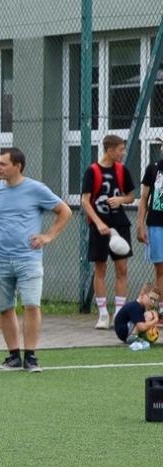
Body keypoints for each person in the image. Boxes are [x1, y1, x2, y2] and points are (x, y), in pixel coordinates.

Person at [0, 147, 71, 373]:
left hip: (28, 258)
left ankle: (30, 356)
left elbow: (64, 211)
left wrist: (48, 236)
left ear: (18, 166)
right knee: (6, 308)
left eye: (3, 164)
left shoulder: (36, 189)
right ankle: (13, 357)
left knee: (31, 305)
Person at [83, 134, 135, 330]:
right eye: (120, 149)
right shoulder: (92, 171)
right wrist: (98, 223)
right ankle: (103, 314)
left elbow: (131, 196)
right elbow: (85, 201)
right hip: (100, 227)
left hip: (119, 226)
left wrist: (121, 200)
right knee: (100, 269)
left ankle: (119, 314)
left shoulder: (122, 171)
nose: (122, 153)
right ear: (110, 150)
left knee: (122, 269)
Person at [139, 146, 163, 297]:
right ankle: (160, 310)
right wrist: (140, 225)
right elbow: (144, 199)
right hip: (156, 225)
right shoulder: (153, 169)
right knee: (160, 269)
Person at [113, 283, 161, 350]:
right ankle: (132, 337)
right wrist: (155, 320)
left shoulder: (141, 307)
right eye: (151, 299)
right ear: (142, 295)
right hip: (124, 331)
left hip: (126, 330)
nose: (152, 303)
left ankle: (139, 337)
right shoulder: (135, 307)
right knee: (149, 315)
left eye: (155, 301)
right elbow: (141, 327)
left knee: (149, 315)